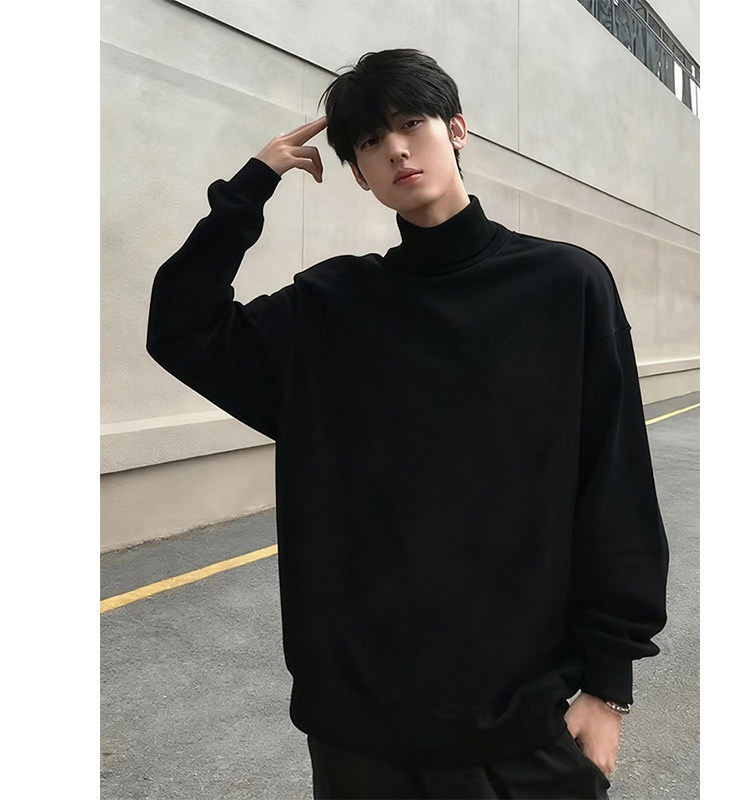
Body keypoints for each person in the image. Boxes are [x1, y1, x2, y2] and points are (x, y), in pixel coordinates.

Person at [146, 48, 669, 800]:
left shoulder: (564, 286)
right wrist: (251, 186)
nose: (394, 149)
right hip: (361, 730)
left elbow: (614, 483)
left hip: (523, 720)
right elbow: (182, 327)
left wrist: (608, 687)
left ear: (456, 130)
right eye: (368, 141)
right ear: (359, 174)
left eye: (410, 123)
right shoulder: (332, 309)